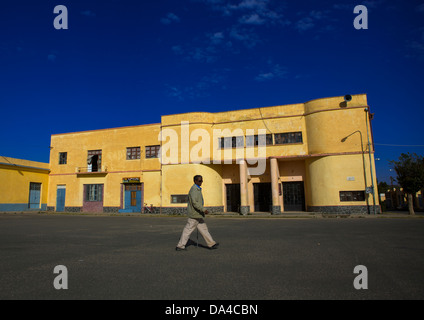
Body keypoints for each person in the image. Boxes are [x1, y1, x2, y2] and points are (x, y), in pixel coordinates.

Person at [176, 175, 219, 251]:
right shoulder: (194, 190)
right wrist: (203, 209)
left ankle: (211, 244)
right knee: (188, 230)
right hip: (194, 214)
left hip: (198, 214)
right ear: (195, 181)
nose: (201, 182)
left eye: (202, 180)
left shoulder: (197, 189)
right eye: (199, 181)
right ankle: (180, 246)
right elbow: (195, 203)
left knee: (204, 229)